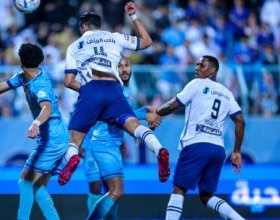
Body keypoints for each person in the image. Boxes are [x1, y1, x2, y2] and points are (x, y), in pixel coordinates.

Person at [61, 1, 170, 218]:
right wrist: (133, 16)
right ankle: (159, 150)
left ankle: (71, 158)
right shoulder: (114, 36)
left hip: (92, 89)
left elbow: (67, 81)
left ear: (83, 28)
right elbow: (147, 42)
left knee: (74, 140)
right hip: (113, 87)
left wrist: (86, 90)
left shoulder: (74, 46)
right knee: (133, 125)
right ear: (99, 25)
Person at [0, 43, 67, 220]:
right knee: (37, 187)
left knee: (25, 182)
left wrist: (35, 123)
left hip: (53, 138)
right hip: (53, 136)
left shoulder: (39, 84)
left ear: (21, 61)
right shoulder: (24, 76)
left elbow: (47, 108)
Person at [155, 55, 245, 220]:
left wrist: (156, 112)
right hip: (218, 149)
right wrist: (237, 151)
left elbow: (172, 105)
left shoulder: (196, 84)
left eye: (201, 65)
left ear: (212, 70)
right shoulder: (227, 93)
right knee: (206, 195)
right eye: (196, 65)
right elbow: (240, 121)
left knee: (179, 189)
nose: (197, 68)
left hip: (196, 144)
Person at [83, 56, 161, 219]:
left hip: (109, 144)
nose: (125, 69)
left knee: (111, 192)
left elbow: (124, 115)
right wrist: (144, 116)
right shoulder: (115, 89)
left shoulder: (124, 90)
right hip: (101, 143)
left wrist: (139, 120)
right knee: (108, 190)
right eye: (120, 66)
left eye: (127, 65)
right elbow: (118, 117)